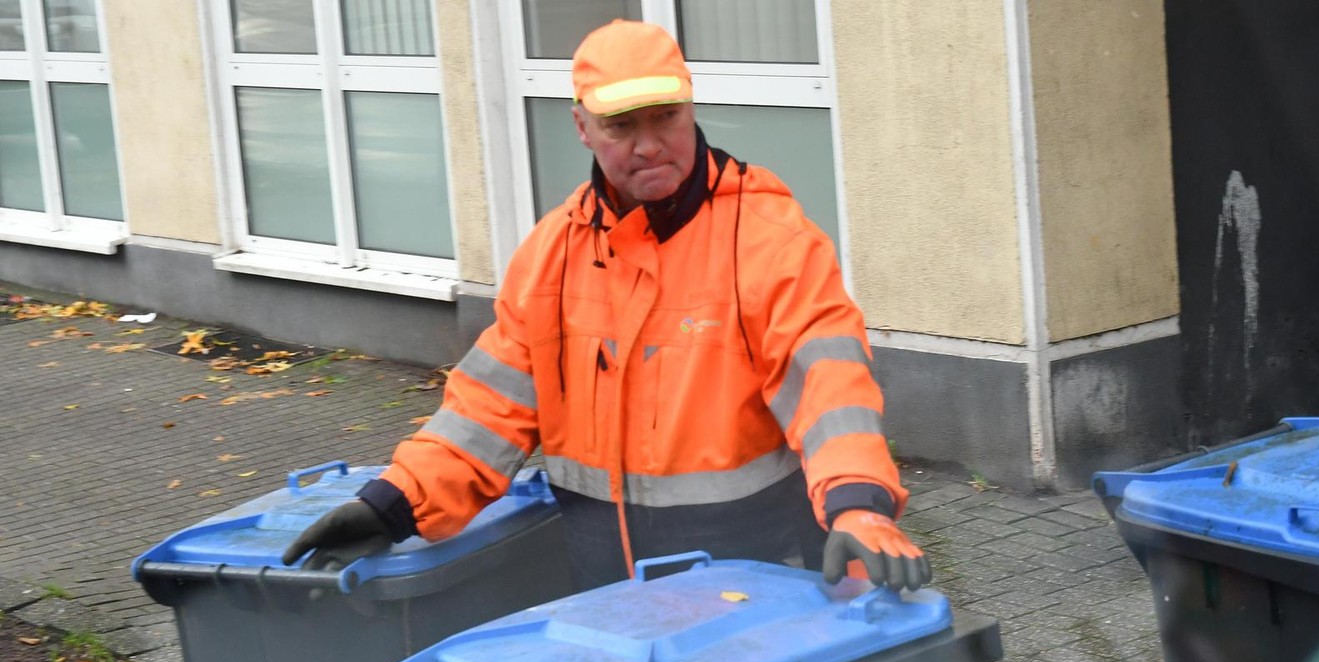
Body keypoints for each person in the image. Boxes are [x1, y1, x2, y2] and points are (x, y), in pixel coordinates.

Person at [283, 19, 930, 593]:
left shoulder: (770, 241)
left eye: (665, 118)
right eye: (622, 126)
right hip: (607, 592)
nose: (649, 144)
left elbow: (831, 390)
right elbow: (486, 412)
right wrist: (394, 505)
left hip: (758, 587)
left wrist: (859, 505)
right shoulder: (552, 255)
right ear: (583, 128)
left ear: (690, 106)